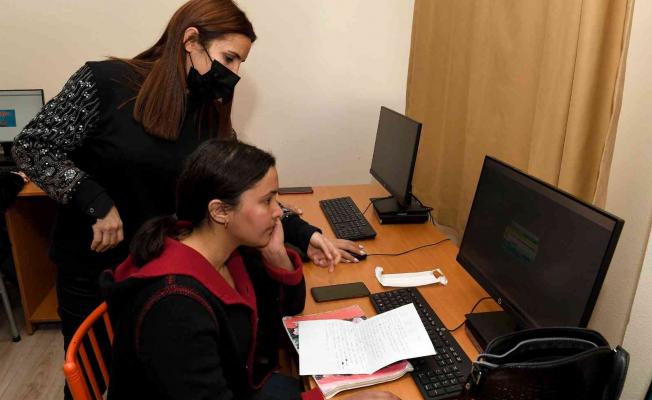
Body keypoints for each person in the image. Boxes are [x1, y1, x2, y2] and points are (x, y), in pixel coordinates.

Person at [12, 0, 364, 395]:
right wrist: (96, 201)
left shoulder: (208, 109)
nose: (234, 74)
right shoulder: (104, 82)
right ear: (191, 41)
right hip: (95, 264)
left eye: (240, 63)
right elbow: (31, 146)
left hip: (161, 269)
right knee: (97, 379)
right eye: (229, 58)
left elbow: (237, 185)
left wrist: (306, 234)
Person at [102, 139, 397, 400]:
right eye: (267, 201)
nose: (279, 212)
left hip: (241, 384)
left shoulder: (229, 252)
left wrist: (277, 256)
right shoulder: (175, 306)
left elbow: (287, 313)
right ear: (220, 211)